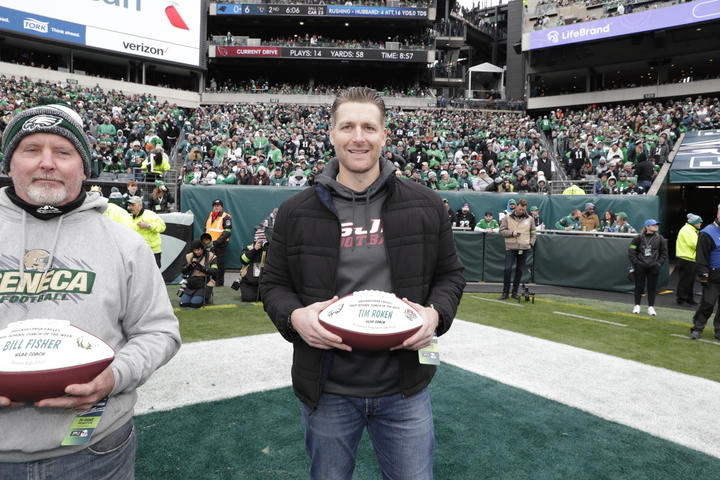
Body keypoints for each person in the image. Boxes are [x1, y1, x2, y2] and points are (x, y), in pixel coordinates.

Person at [258, 87, 465, 480]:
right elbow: (274, 284)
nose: (358, 137)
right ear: (332, 134)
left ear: (384, 135)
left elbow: (451, 276)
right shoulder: (294, 211)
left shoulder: (425, 203)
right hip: (327, 386)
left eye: (369, 127)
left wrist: (435, 315)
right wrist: (295, 317)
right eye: (347, 126)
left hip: (405, 386)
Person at [0, 103, 180, 477]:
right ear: (9, 162)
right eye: (31, 149)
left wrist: (114, 376)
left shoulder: (125, 243)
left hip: (95, 450)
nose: (47, 163)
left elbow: (159, 331)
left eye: (63, 152)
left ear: (83, 167)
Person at [690, 206, 720, 339]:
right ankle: (697, 328)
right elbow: (701, 256)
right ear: (718, 214)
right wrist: (703, 274)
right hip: (714, 273)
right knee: (708, 303)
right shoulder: (707, 232)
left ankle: (718, 330)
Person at [498, 198, 535, 300]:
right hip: (511, 247)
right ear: (516, 206)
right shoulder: (507, 217)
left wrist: (531, 244)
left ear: (526, 208)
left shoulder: (530, 219)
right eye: (519, 209)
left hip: (524, 247)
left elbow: (533, 233)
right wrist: (512, 233)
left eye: (523, 210)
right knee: (507, 269)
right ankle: (505, 292)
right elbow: (501, 231)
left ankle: (515, 291)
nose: (521, 211)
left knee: (519, 270)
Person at [628, 219, 667, 316]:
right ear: (647, 227)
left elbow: (664, 252)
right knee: (638, 287)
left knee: (652, 288)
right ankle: (637, 305)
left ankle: (651, 307)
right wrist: (636, 263)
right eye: (653, 225)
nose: (656, 226)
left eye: (656, 225)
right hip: (640, 266)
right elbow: (631, 251)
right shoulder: (638, 238)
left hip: (653, 266)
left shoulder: (660, 238)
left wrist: (659, 263)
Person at [127, 195, 166, 268]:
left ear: (140, 205)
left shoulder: (150, 215)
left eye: (133, 205)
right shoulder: (129, 218)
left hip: (152, 251)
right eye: (129, 205)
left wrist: (148, 226)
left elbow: (162, 226)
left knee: (152, 277)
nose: (130, 208)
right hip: (137, 252)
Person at [179, 238, 218, 307]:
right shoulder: (189, 256)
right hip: (192, 283)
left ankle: (208, 296)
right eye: (195, 250)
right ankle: (196, 296)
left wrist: (201, 267)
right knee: (183, 304)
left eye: (199, 249)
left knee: (195, 304)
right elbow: (183, 270)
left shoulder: (211, 256)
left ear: (203, 248)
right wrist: (188, 267)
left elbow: (215, 271)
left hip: (205, 283)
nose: (197, 252)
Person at [676, 213, 703, 307]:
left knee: (690, 280)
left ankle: (689, 298)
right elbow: (695, 244)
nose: (701, 223)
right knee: (685, 281)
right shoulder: (688, 230)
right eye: (699, 222)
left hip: (690, 258)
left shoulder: (690, 229)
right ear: (694, 223)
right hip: (687, 258)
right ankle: (681, 299)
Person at [205, 199, 232, 286]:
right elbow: (206, 229)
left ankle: (219, 282)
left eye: (218, 205)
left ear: (222, 207)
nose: (216, 207)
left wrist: (217, 242)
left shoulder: (226, 217)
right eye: (215, 205)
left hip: (220, 245)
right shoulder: (210, 215)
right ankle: (212, 281)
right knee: (210, 263)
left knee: (220, 264)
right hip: (209, 244)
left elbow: (227, 232)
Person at [239, 229, 269, 303]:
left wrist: (267, 250)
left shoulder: (268, 249)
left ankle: (260, 295)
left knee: (270, 298)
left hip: (265, 284)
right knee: (247, 298)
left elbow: (275, 261)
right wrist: (254, 250)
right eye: (259, 242)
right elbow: (243, 260)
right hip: (249, 284)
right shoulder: (248, 248)